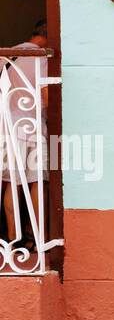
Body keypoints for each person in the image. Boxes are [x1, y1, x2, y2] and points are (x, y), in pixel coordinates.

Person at [2, 22, 49, 251]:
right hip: (32, 126)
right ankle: (39, 239)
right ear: (47, 38)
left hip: (8, 127)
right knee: (37, 181)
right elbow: (47, 97)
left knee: (13, 182)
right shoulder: (41, 59)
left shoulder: (11, 56)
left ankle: (13, 238)